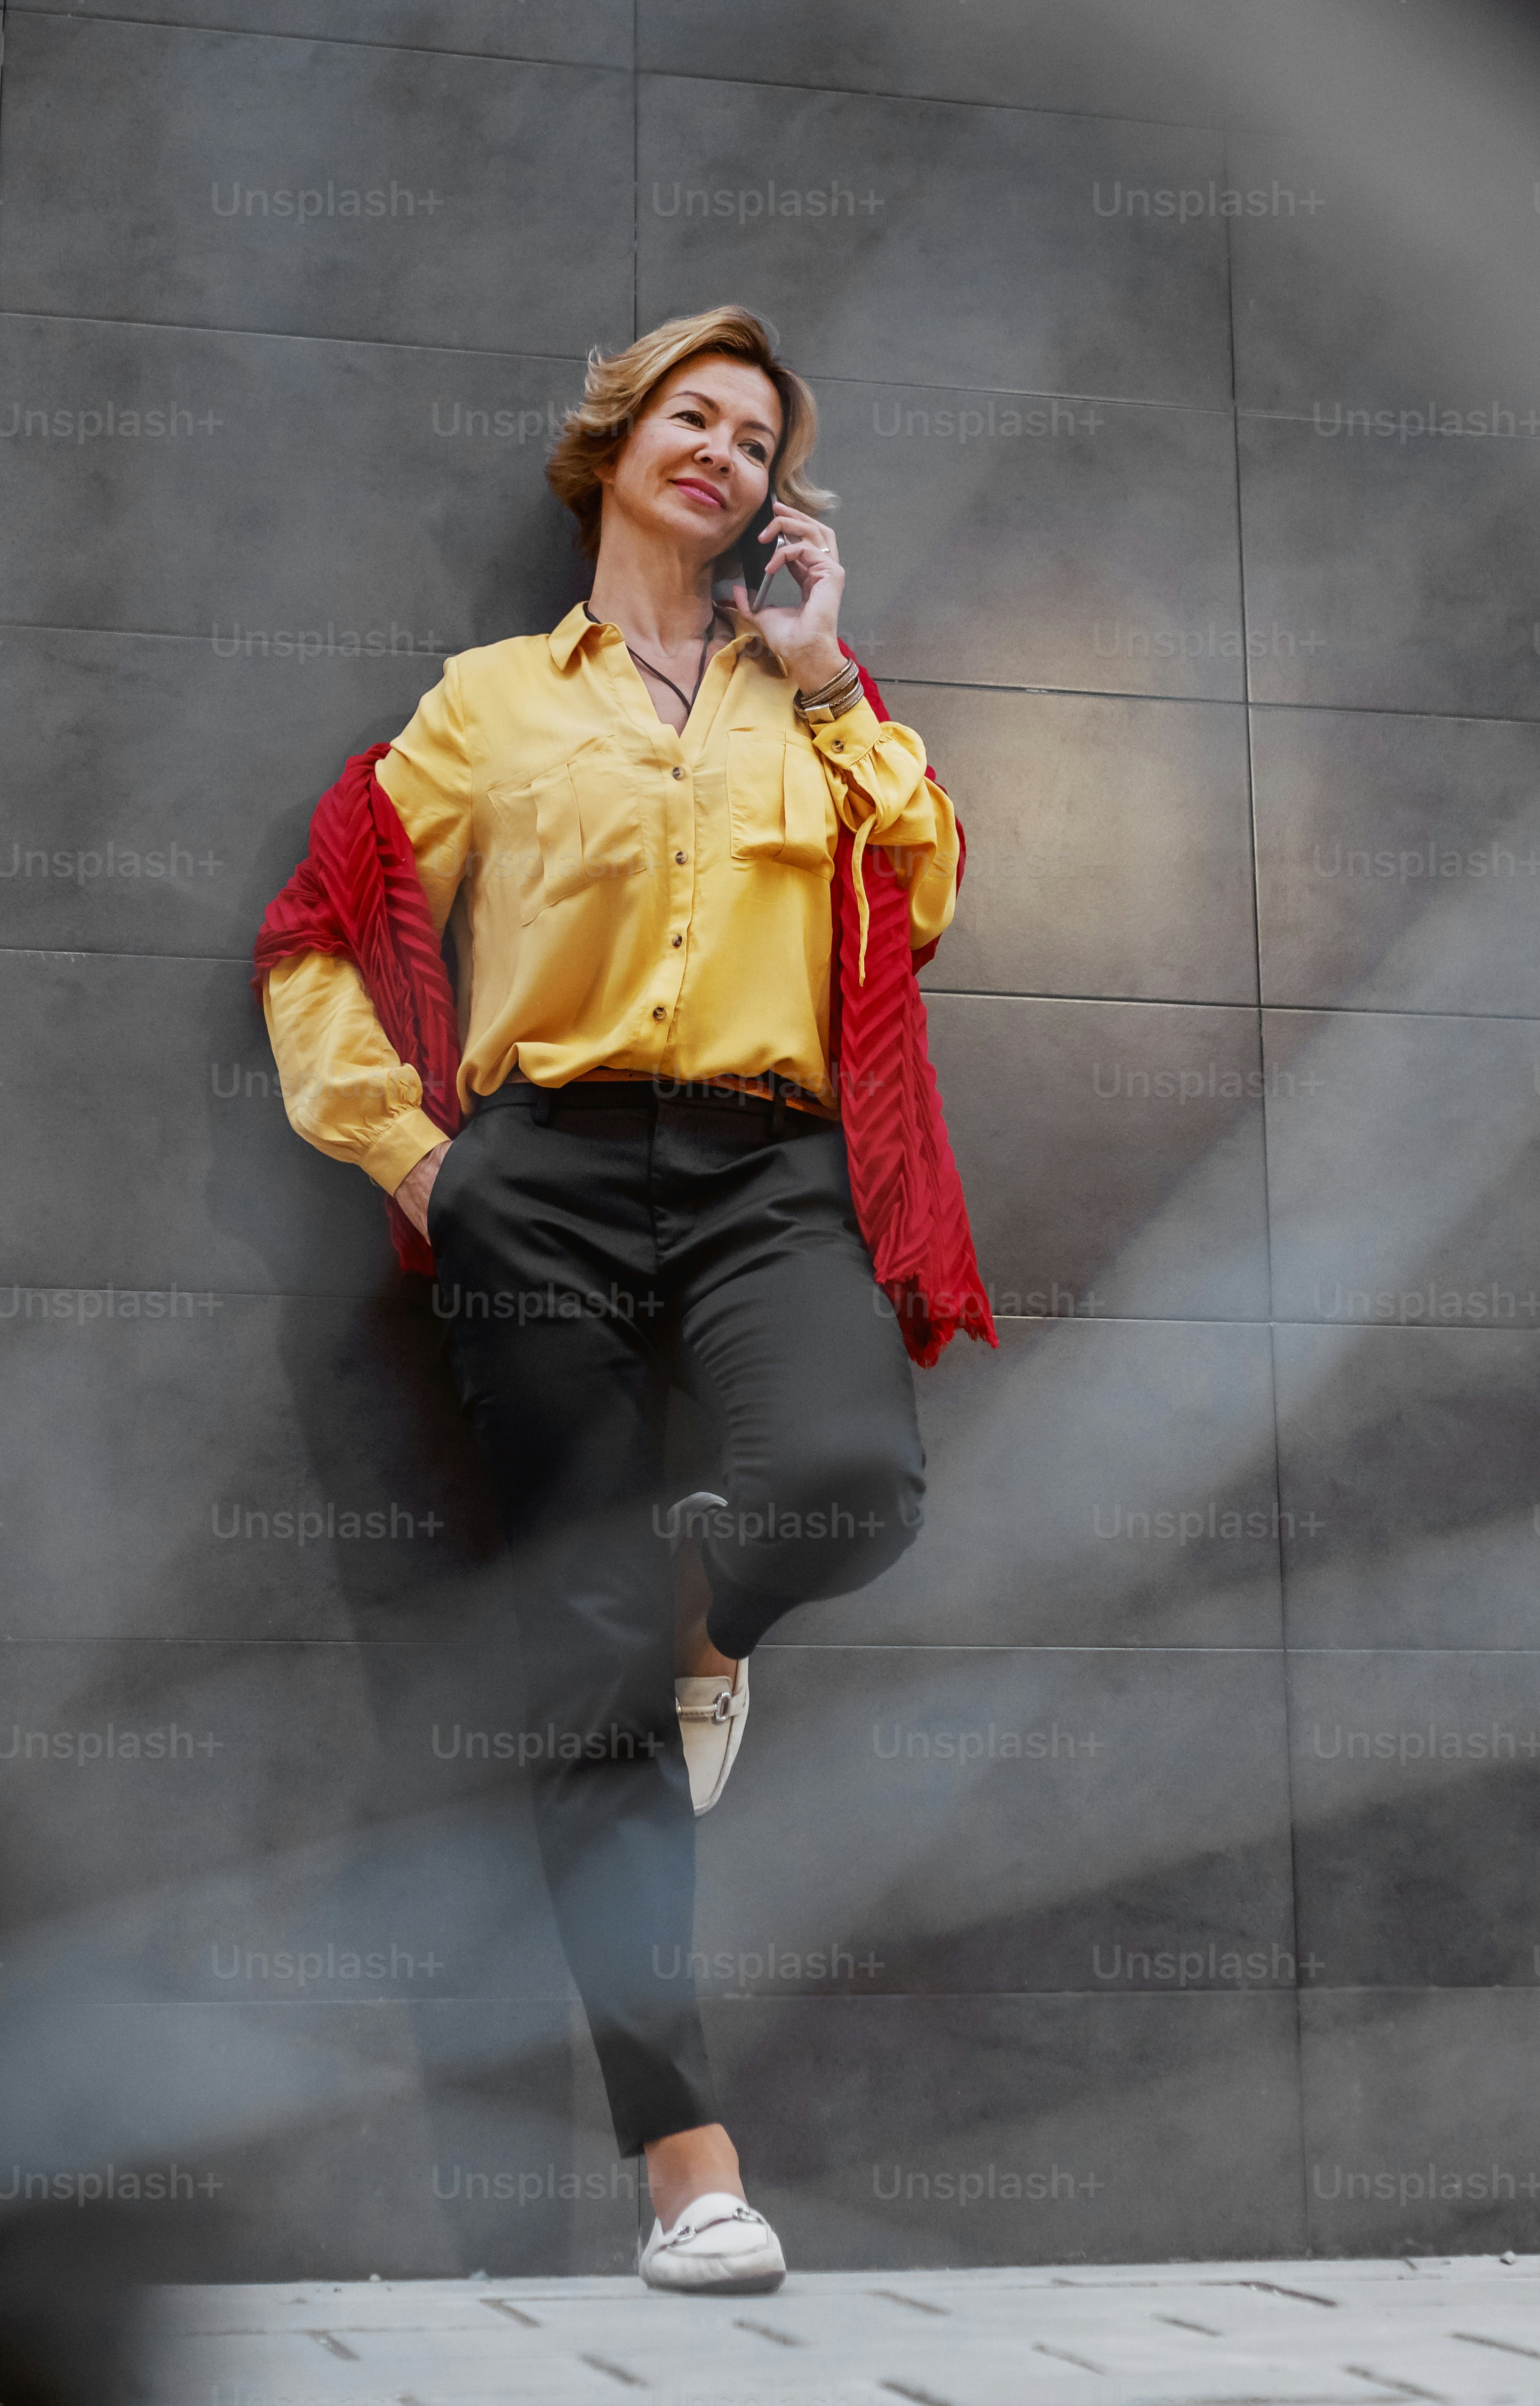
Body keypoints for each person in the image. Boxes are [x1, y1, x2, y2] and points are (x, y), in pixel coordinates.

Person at [253, 303, 993, 2294]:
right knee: (582, 1698)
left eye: (758, 441)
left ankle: (703, 1621)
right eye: (695, 416)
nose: (725, 454)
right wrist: (419, 1162)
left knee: (855, 1480)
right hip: (542, 1183)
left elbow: (918, 888)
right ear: (617, 448)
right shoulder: (492, 704)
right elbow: (321, 930)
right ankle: (689, 2169)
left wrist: (829, 678)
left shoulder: (806, 699)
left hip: (766, 1172)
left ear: (779, 501)